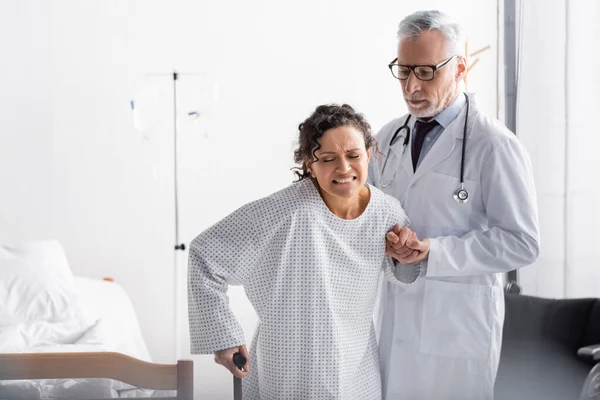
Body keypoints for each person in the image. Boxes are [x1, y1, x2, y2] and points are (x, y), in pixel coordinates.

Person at [188, 104, 421, 399]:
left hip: (356, 369)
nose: (345, 169)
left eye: (353, 156)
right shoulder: (284, 211)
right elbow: (204, 255)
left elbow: (403, 273)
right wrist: (223, 337)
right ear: (309, 164)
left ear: (368, 154)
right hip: (290, 368)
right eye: (328, 158)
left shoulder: (387, 212)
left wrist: (404, 253)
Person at [369, 10, 541, 400]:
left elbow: (523, 242)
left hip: (457, 328)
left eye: (427, 71)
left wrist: (433, 251)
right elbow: (367, 212)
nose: (412, 85)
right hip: (396, 321)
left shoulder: (494, 145)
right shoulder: (388, 137)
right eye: (404, 70)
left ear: (460, 67)